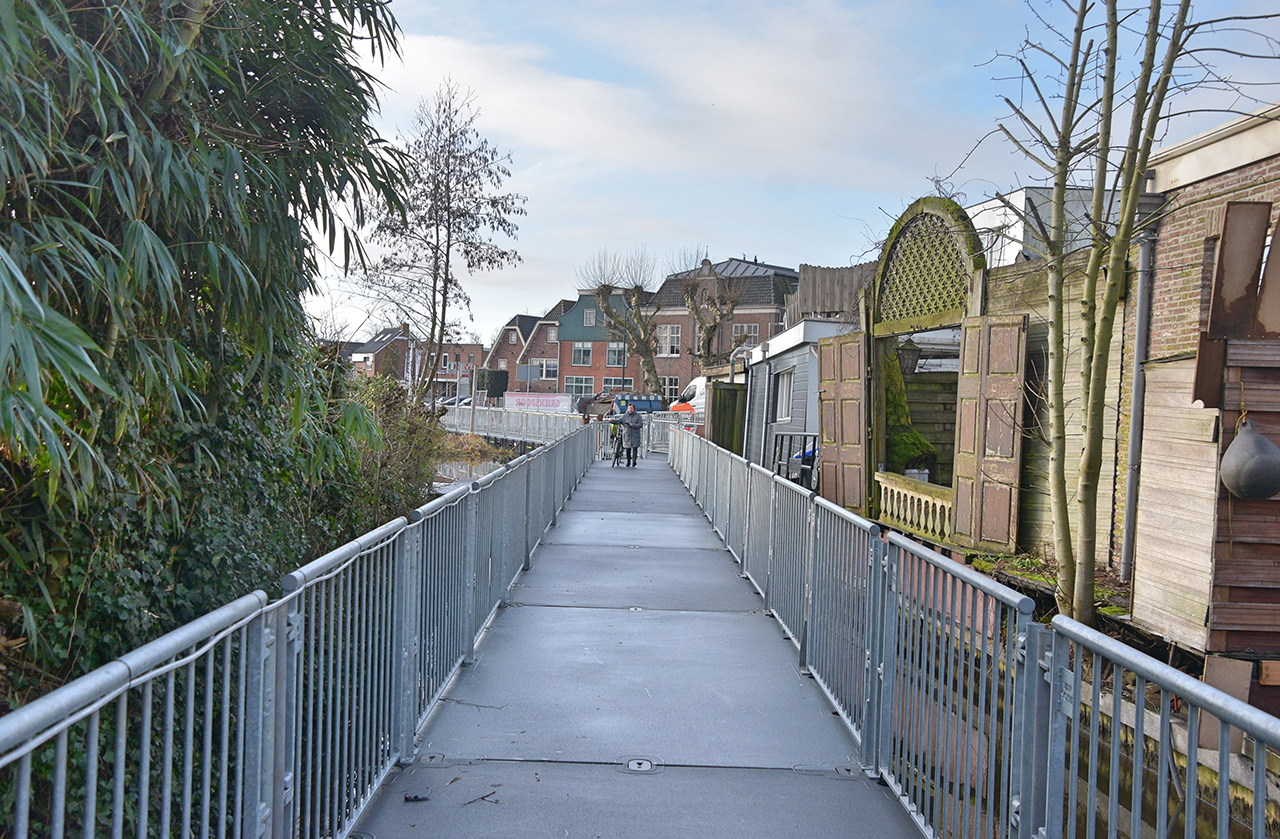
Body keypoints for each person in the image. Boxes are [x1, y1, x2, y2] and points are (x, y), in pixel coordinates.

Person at [607, 403, 645, 467]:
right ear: (627, 409)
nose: (630, 409)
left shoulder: (638, 416)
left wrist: (632, 425)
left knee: (635, 448)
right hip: (627, 434)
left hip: (635, 435)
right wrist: (612, 421)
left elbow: (640, 424)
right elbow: (619, 420)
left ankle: (634, 461)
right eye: (629, 408)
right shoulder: (625, 416)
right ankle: (628, 461)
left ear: (634, 409)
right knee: (628, 449)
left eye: (631, 408)